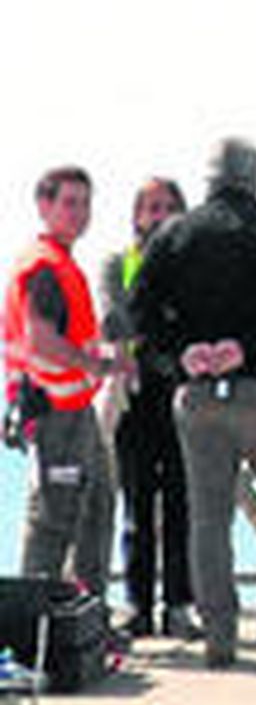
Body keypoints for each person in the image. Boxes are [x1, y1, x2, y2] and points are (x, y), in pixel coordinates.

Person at [129, 138, 256, 667]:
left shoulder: (172, 234)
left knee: (208, 516)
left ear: (210, 176)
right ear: (254, 176)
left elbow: (137, 313)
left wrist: (180, 355)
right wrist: (248, 346)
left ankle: (220, 634)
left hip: (197, 397)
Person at [2, 167, 126, 602]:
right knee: (54, 522)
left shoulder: (61, 262)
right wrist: (95, 363)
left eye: (85, 203)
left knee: (95, 510)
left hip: (75, 411)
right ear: (44, 206)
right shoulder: (44, 266)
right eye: (69, 202)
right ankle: (29, 632)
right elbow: (40, 338)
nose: (80, 213)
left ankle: (83, 618)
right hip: (56, 413)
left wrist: (93, 362)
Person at [98, 178, 199, 640]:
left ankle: (179, 603)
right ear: (136, 214)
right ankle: (137, 605)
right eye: (151, 208)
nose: (158, 216)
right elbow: (115, 319)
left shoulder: (194, 262)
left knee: (182, 504)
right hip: (134, 395)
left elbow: (196, 321)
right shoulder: (120, 262)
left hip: (180, 394)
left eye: (168, 207)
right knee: (137, 505)